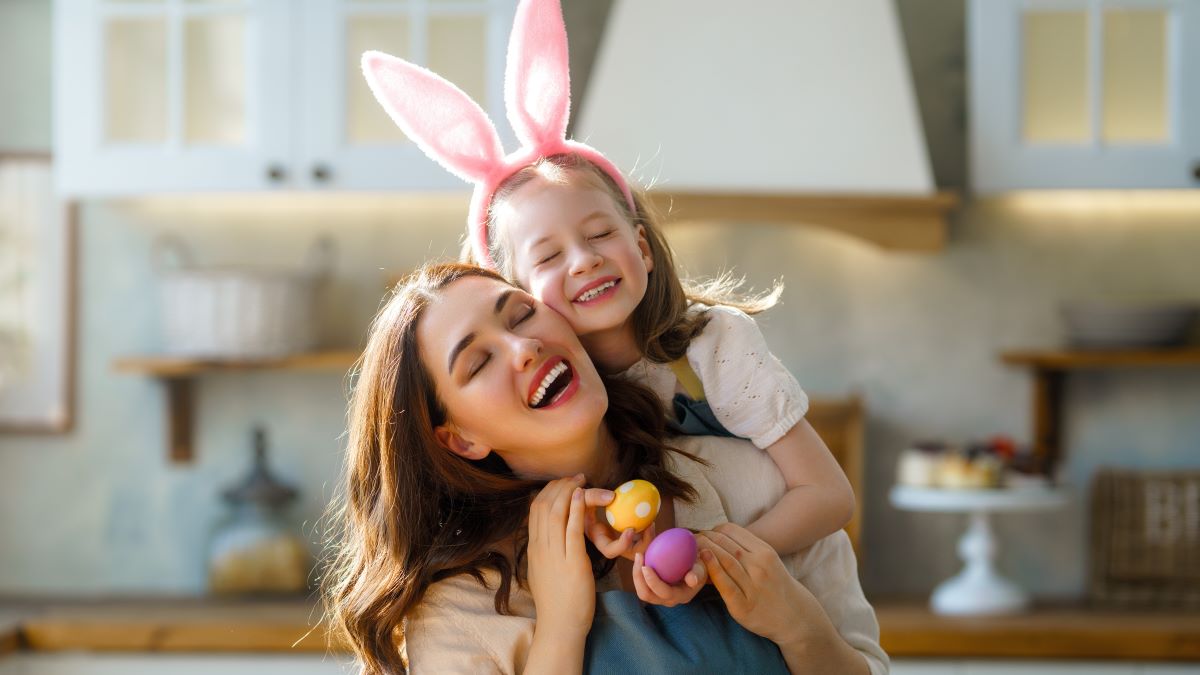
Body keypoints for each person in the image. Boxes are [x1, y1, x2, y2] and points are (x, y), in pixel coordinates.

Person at [360, 0, 856, 605]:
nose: (584, 260)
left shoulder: (714, 346)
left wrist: (713, 557)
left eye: (599, 236)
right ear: (517, 291)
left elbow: (831, 496)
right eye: (547, 258)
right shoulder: (551, 392)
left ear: (642, 248)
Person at [322, 262, 887, 675]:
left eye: (521, 314)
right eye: (479, 361)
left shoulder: (761, 485)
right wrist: (563, 626)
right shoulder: (460, 607)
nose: (522, 347)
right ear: (461, 439)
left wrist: (798, 625)